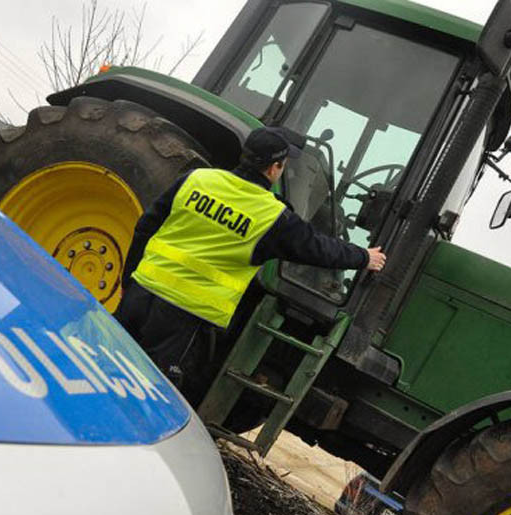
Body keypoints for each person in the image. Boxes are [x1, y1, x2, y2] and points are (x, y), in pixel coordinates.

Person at [114, 126, 387, 405]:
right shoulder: (272, 216)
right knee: (143, 398)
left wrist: (129, 282)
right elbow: (319, 248)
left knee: (101, 367)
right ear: (274, 168)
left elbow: (145, 228)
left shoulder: (196, 180)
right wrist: (364, 257)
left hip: (140, 295)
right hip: (184, 318)